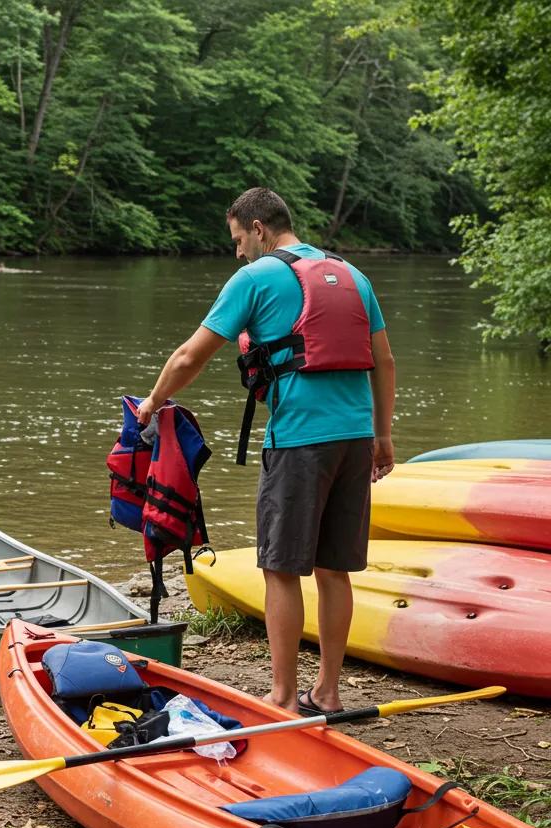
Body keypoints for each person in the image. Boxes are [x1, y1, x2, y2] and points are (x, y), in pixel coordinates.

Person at [137, 187, 395, 715]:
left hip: (299, 440)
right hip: (356, 438)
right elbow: (384, 360)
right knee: (333, 569)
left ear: (258, 229)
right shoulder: (352, 274)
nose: (236, 251)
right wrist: (383, 436)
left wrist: (154, 400)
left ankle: (280, 697)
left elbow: (190, 356)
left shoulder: (255, 277)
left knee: (280, 569)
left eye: (237, 239)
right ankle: (327, 692)